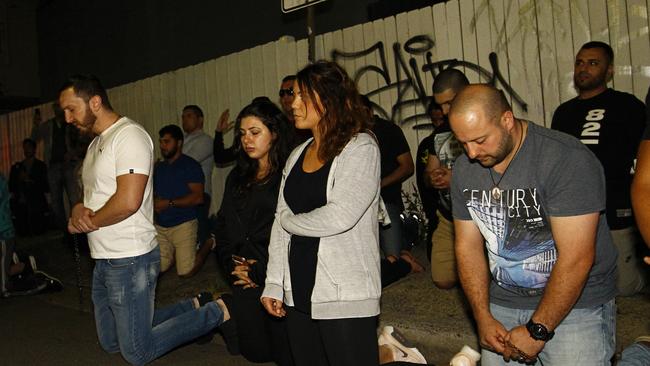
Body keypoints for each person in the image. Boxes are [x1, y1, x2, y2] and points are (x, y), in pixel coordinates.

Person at [60, 74, 229, 365]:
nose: (67, 118)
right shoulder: (94, 145)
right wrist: (77, 209)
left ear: (96, 102)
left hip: (130, 258)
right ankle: (192, 304)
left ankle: (217, 312)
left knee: (137, 351)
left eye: (71, 109)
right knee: (112, 341)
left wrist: (90, 221)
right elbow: (89, 194)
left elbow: (128, 201)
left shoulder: (129, 136)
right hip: (102, 258)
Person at [450, 84, 617, 365]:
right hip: (503, 301)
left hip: (577, 305)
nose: (471, 153)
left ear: (507, 119)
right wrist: (482, 316)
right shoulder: (465, 170)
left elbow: (577, 258)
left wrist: (537, 330)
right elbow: (467, 247)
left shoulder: (566, 159)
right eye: (462, 143)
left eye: (480, 140)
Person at [261, 60, 381, 366]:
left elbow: (341, 215)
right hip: (299, 293)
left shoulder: (360, 148)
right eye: (292, 95)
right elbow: (278, 222)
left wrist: (289, 223)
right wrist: (275, 283)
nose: (293, 103)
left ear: (327, 98)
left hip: (344, 296)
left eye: (302, 95)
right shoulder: (297, 154)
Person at [551, 41, 646, 296]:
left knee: (624, 286)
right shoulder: (564, 112)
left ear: (609, 70)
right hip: (575, 210)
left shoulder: (628, 106)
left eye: (593, 63)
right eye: (580, 63)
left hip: (616, 209)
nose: (584, 69)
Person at [211, 100, 294, 365]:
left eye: (255, 132)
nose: (247, 139)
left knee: (286, 354)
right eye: (242, 133)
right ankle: (227, 308)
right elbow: (223, 225)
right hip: (242, 275)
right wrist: (232, 267)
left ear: (275, 133)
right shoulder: (237, 175)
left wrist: (261, 272)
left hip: (277, 275)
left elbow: (295, 234)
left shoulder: (289, 175)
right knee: (255, 354)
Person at [424, 68, 469, 289]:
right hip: (448, 215)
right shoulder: (440, 132)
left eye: (449, 103)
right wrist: (435, 177)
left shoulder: (484, 122)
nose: (444, 110)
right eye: (440, 104)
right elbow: (429, 171)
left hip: (482, 217)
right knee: (442, 280)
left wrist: (457, 177)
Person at [362, 95, 415, 259]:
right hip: (359, 206)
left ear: (368, 111)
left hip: (386, 200)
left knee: (394, 256)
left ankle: (406, 233)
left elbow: (407, 167)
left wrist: (380, 184)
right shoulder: (347, 134)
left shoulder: (388, 130)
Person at [153, 124, 205, 277]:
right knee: (158, 268)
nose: (163, 146)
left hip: (184, 223)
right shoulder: (159, 168)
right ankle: (176, 254)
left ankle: (207, 244)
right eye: (161, 142)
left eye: (167, 142)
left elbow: (198, 197)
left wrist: (168, 203)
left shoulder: (190, 166)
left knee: (186, 272)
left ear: (179, 143)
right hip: (162, 225)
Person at [31, 103, 86, 233]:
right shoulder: (48, 125)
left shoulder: (70, 125)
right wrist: (36, 124)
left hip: (69, 166)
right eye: (57, 109)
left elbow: (80, 143)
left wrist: (72, 153)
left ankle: (78, 228)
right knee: (56, 201)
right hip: (53, 166)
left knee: (74, 198)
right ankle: (63, 231)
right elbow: (34, 139)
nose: (59, 111)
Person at [415, 100, 444, 260]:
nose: (438, 124)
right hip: (435, 203)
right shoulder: (428, 144)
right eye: (435, 120)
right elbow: (422, 177)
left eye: (442, 120)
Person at [181, 105, 213, 245]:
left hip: (199, 195)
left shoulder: (205, 140)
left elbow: (186, 163)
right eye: (183, 117)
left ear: (200, 120)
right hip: (181, 195)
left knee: (197, 236)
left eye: (189, 116)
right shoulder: (182, 140)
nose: (184, 120)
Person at [9, 138, 50, 236]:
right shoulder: (18, 166)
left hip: (36, 197)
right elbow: (12, 185)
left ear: (34, 149)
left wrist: (30, 179)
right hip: (22, 198)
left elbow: (45, 185)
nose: (27, 150)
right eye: (25, 148)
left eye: (29, 147)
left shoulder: (40, 166)